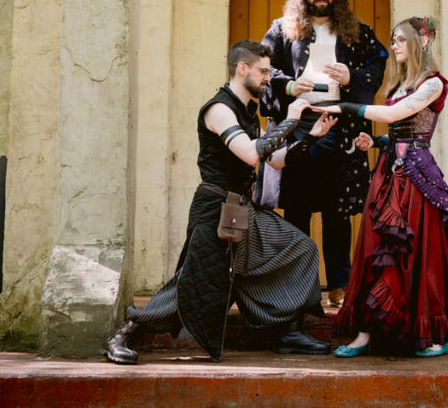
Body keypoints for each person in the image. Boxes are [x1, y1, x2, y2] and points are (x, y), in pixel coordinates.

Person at [103, 40, 335, 364]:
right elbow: (251, 152)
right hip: (214, 211)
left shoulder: (248, 112)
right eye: (264, 71)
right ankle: (125, 332)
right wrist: (292, 119)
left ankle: (288, 332)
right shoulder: (219, 109)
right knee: (195, 285)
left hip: (242, 211)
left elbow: (274, 161)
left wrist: (310, 137)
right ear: (243, 69)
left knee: (301, 247)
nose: (269, 78)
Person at [315, 17, 448, 357]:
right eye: (394, 39)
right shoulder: (397, 85)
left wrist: (344, 106)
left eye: (401, 39)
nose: (395, 45)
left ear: (421, 43)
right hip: (388, 173)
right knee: (373, 247)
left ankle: (430, 336)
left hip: (416, 177)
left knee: (418, 255)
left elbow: (399, 114)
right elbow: (397, 128)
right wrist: (376, 141)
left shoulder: (433, 84)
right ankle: (364, 333)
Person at [259, 0, 387, 306]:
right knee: (297, 209)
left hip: (340, 125)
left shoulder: (358, 31)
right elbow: (265, 70)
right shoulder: (281, 28)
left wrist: (352, 78)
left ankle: (340, 285)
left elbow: (376, 67)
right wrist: (286, 85)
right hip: (298, 126)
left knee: (337, 211)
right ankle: (300, 288)